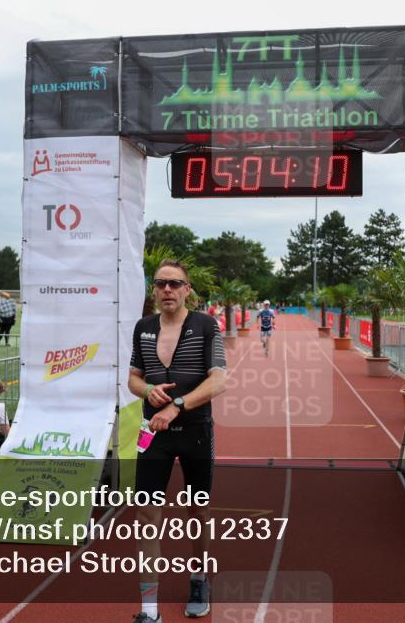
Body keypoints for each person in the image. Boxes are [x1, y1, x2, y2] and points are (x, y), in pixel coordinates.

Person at [128, 260, 226, 623]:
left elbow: (219, 380)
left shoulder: (205, 326)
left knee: (197, 511)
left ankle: (199, 579)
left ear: (187, 289)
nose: (167, 289)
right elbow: (133, 379)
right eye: (160, 284)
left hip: (196, 432)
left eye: (174, 283)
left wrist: (177, 406)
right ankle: (149, 609)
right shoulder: (144, 327)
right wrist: (148, 390)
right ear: (154, 290)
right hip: (154, 434)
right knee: (146, 514)